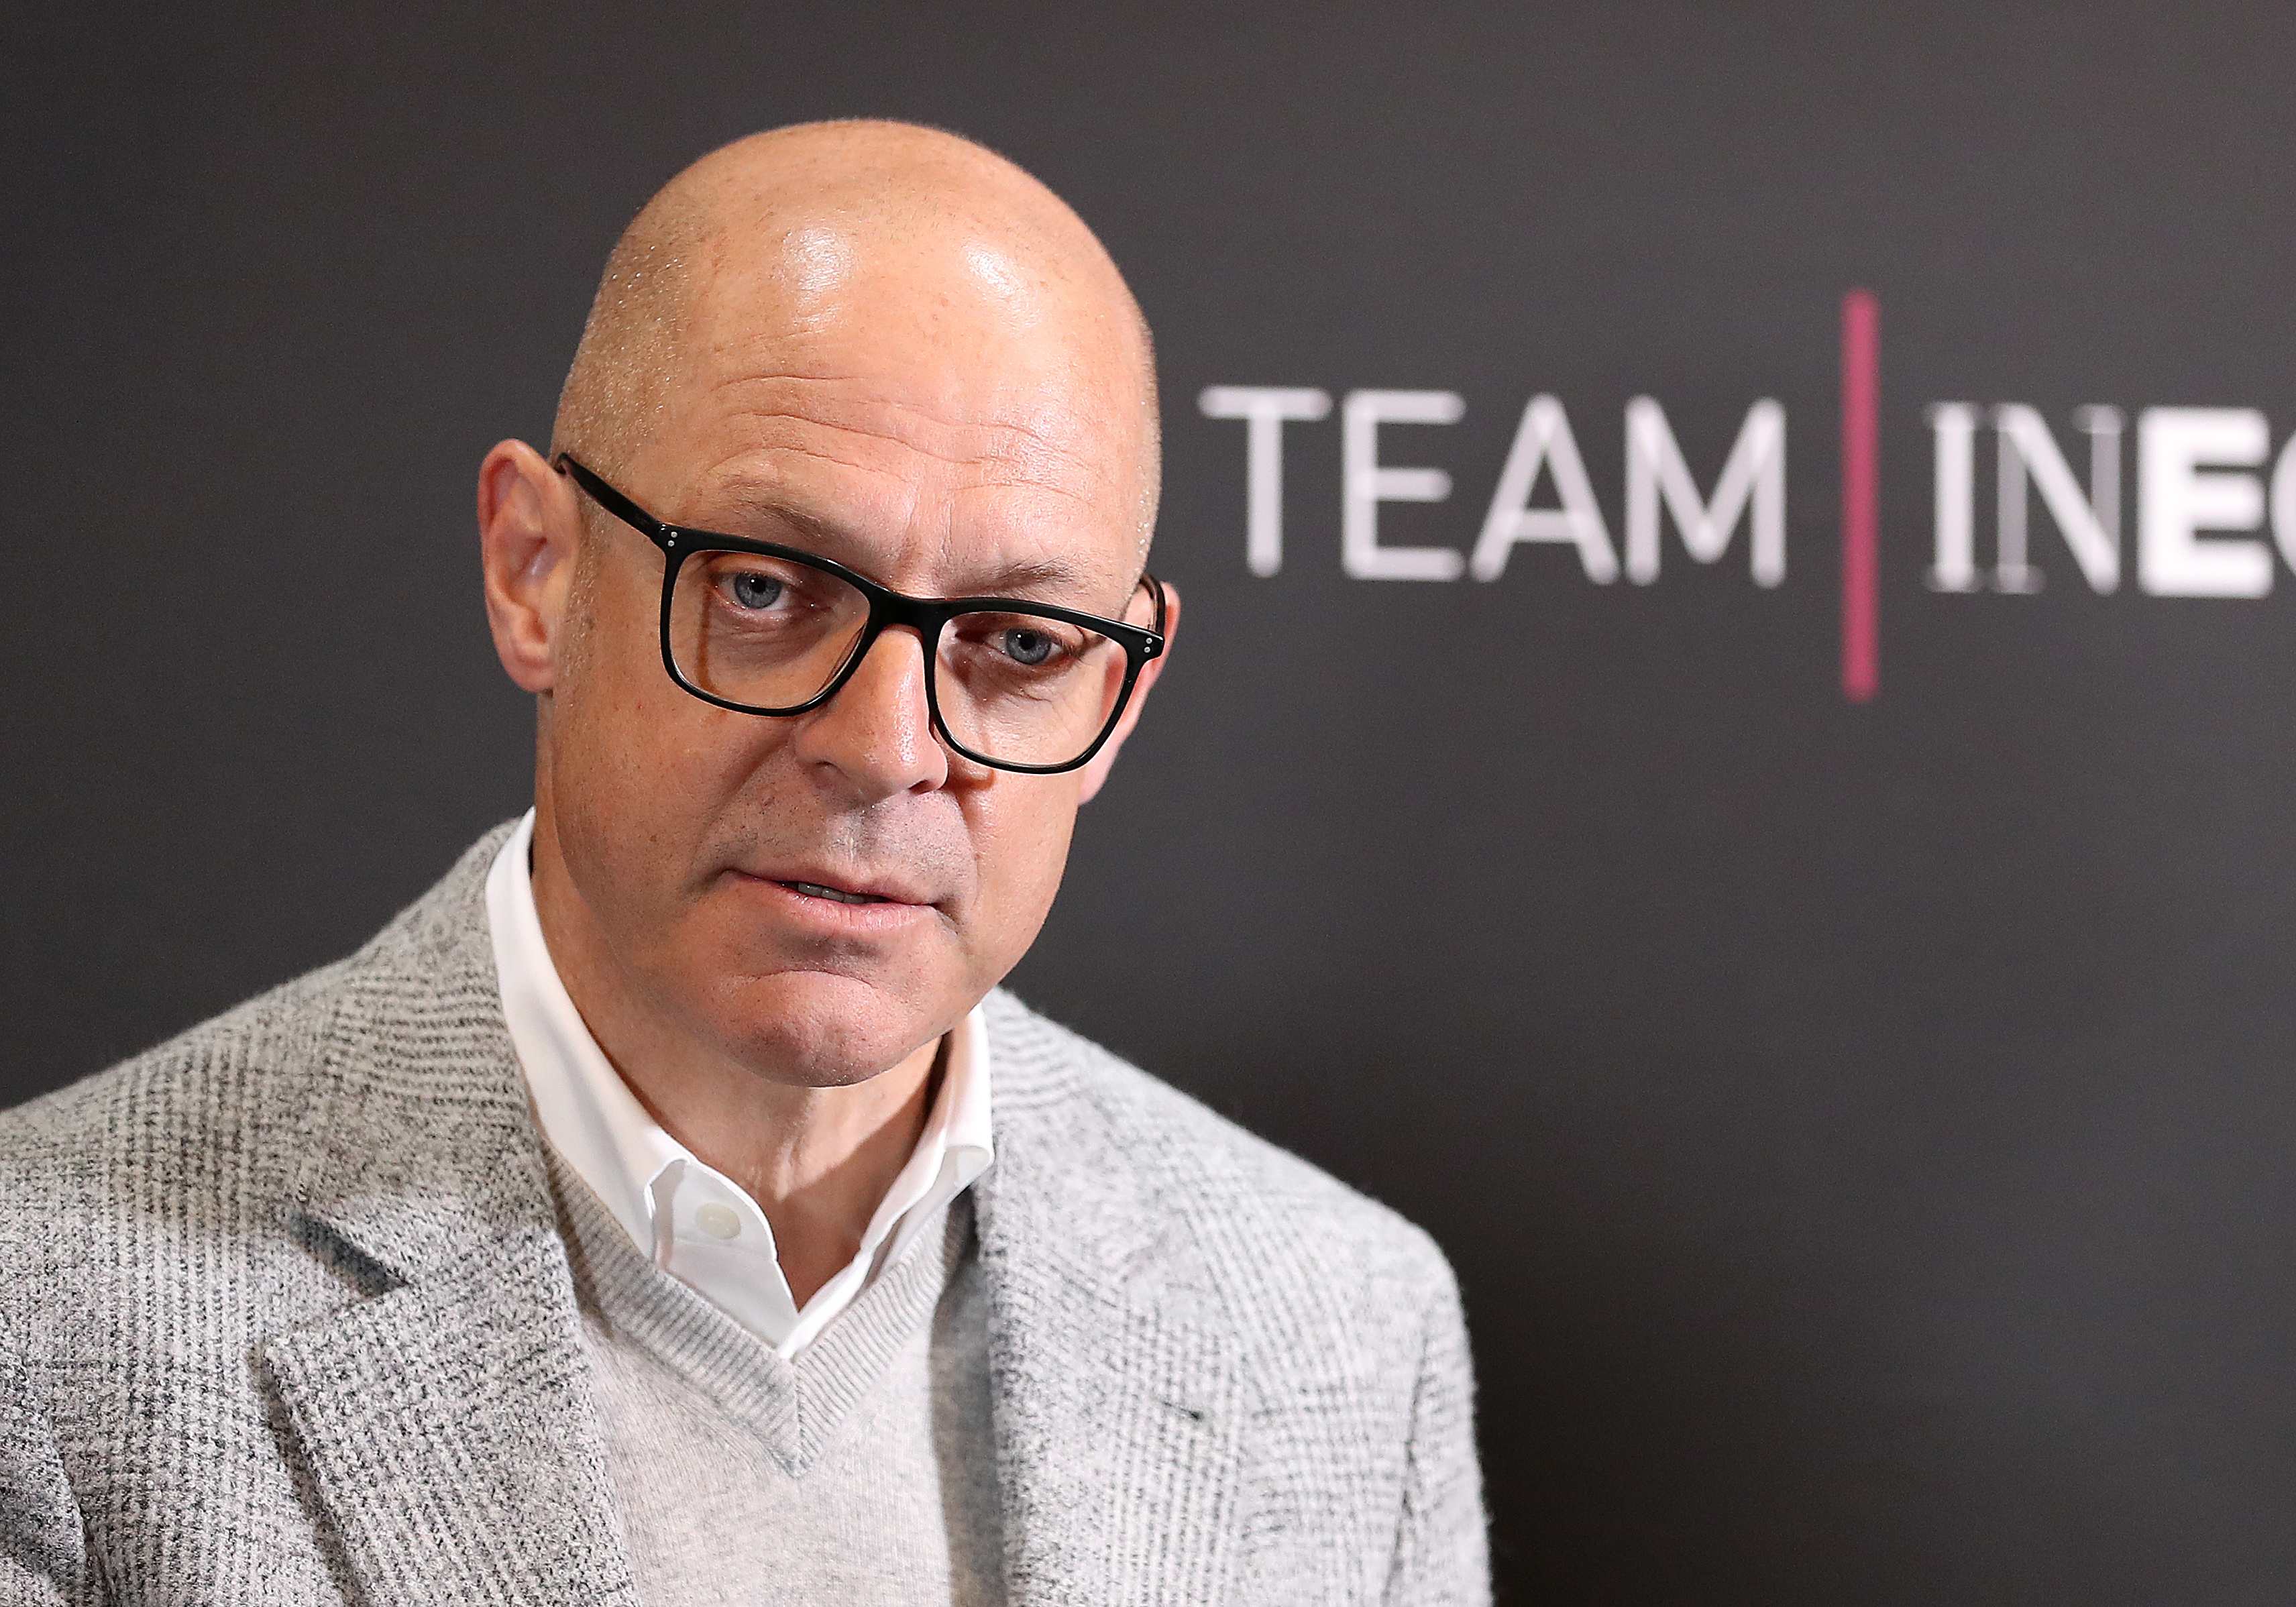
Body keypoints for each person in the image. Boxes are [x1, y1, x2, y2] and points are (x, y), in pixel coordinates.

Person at [0, 120, 1487, 1606]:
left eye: (1022, 645)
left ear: (1122, 693)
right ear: (533, 570)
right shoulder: (44, 1319)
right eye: (767, 589)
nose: (888, 748)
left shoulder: (1343, 1330)